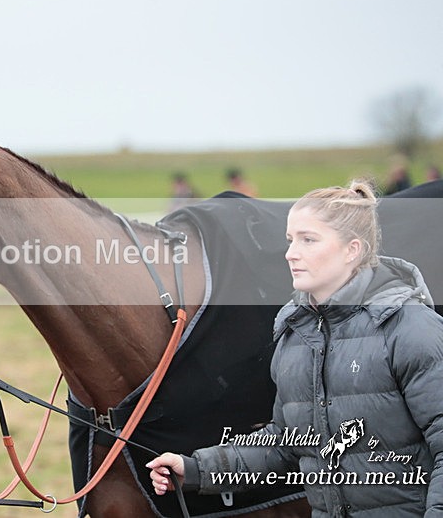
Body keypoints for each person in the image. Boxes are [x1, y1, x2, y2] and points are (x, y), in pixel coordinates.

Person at [147, 180, 443, 516]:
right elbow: (285, 444)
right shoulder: (295, 336)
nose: (291, 253)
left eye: (308, 240)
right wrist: (196, 468)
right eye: (290, 240)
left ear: (353, 250)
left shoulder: (411, 328)